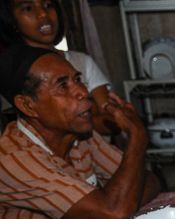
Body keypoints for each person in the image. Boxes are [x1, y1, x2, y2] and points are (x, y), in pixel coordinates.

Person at [0, 45, 160, 219]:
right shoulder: (13, 159)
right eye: (62, 86)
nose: (82, 92)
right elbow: (117, 207)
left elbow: (148, 181)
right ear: (28, 105)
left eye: (78, 80)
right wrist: (137, 138)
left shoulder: (80, 136)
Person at [0, 0, 114, 134]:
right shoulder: (10, 74)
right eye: (28, 8)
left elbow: (108, 118)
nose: (43, 13)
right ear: (11, 20)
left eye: (48, 5)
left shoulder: (81, 61)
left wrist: (120, 119)